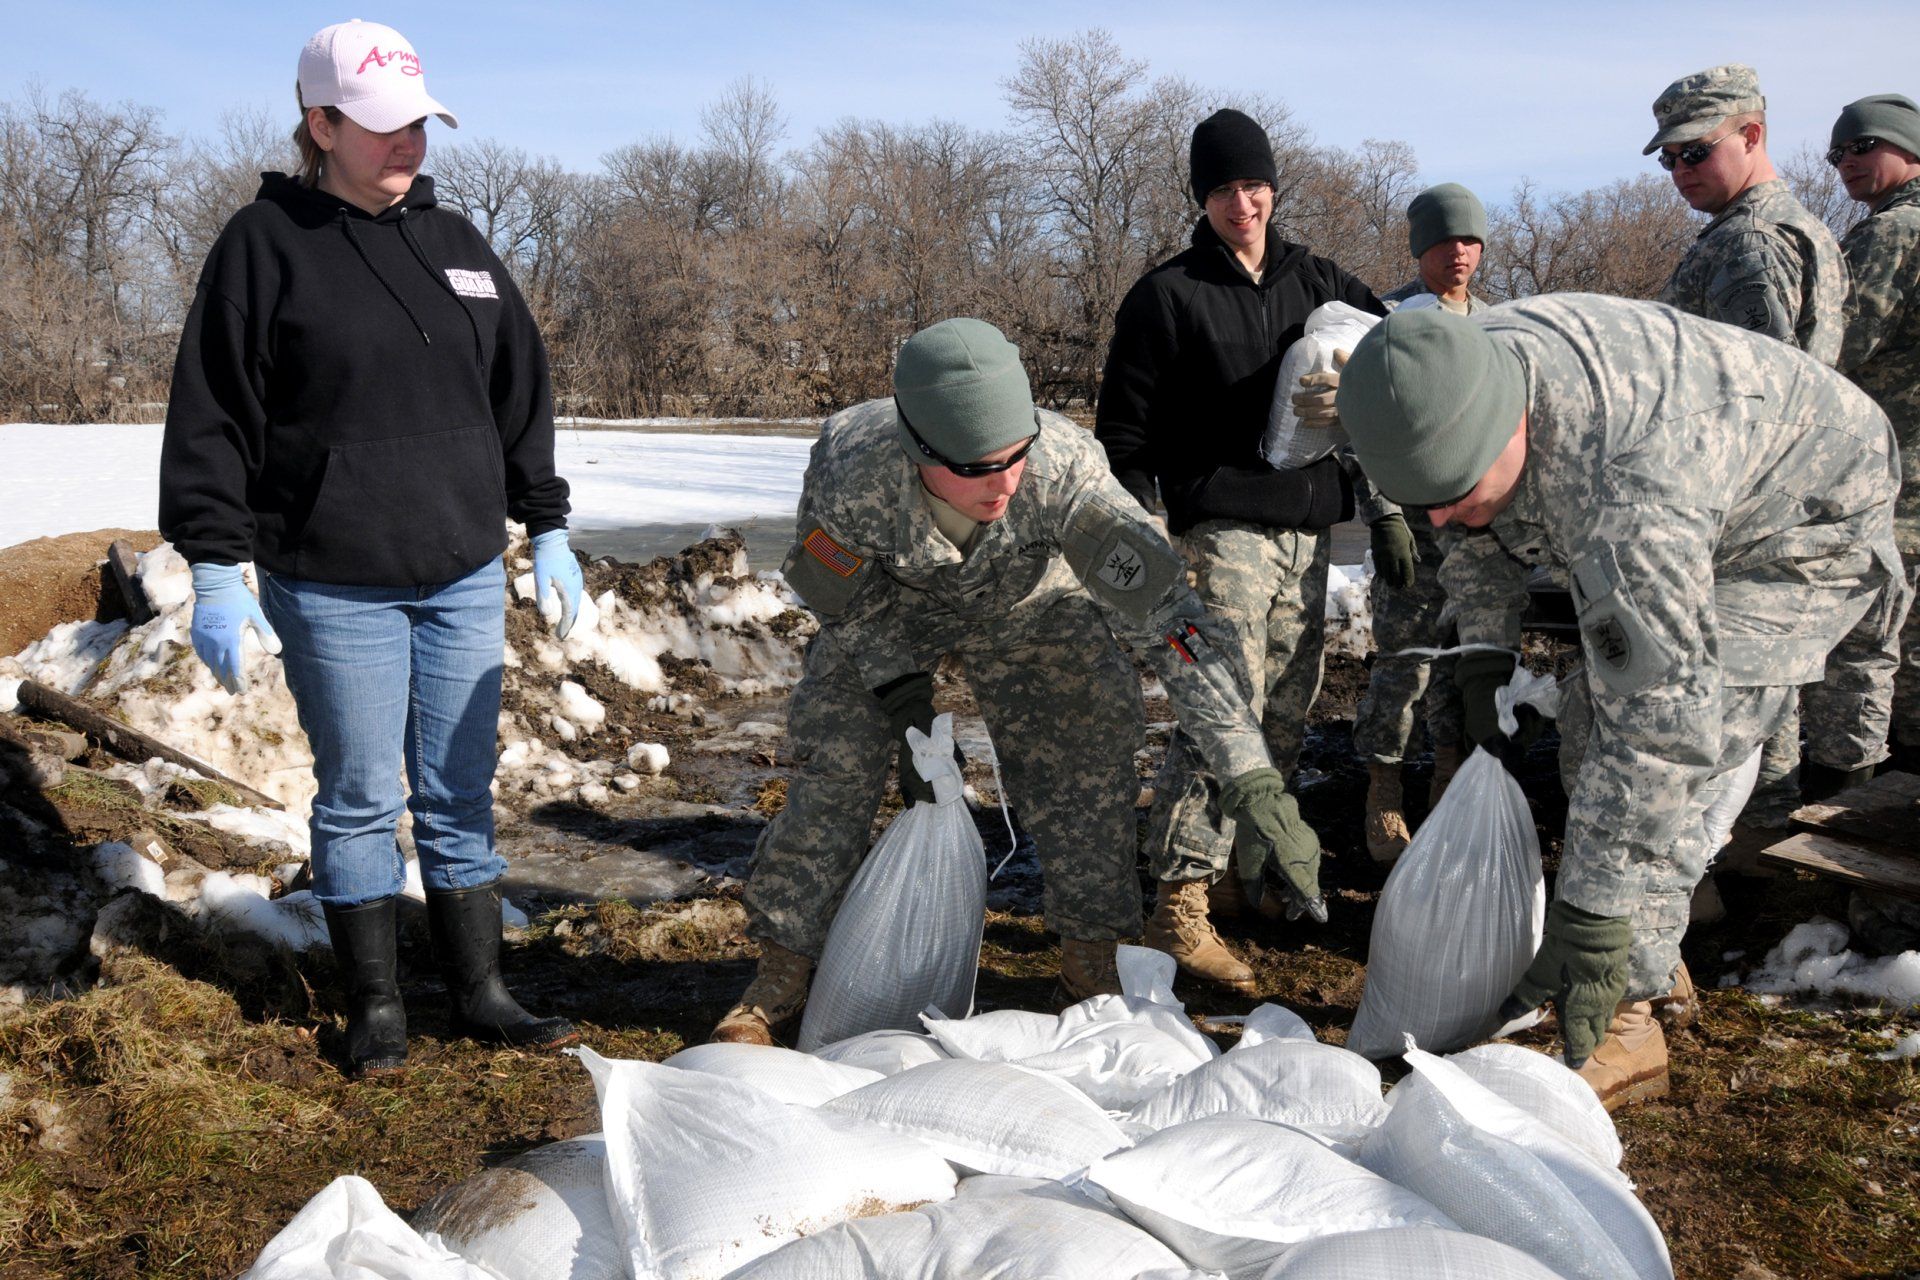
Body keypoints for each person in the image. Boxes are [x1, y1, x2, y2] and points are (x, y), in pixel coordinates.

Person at [1336, 299, 1908, 1110]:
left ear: (1513, 424)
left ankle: (1627, 1019)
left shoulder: (1625, 485)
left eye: (1457, 489)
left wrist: (1595, 912)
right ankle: (1649, 946)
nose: (1435, 518)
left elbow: (1663, 728)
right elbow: (1469, 534)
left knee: (1652, 754)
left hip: (1804, 524)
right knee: (1585, 725)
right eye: (1419, 500)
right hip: (1712, 475)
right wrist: (1484, 657)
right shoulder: (1447, 378)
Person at [159, 19, 581, 1076]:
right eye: (386, 127)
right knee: (358, 793)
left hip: (462, 566)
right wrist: (215, 558)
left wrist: (549, 521)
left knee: (456, 785)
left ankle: (481, 989)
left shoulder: (458, 245)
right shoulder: (264, 247)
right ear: (322, 122)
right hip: (333, 573)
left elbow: (518, 391)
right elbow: (212, 409)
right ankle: (379, 1004)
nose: (410, 145)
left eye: (420, 125)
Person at [711, 318, 1320, 1045]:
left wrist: (1249, 771)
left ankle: (1091, 960)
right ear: (918, 450)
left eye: (1014, 456)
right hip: (895, 611)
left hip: (1032, 611)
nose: (1002, 483)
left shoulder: (1064, 469)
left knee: (1090, 748)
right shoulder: (853, 464)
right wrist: (905, 699)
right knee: (836, 766)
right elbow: (847, 600)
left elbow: (1171, 622)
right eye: (974, 467)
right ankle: (782, 969)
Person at [1095, 108, 1408, 989]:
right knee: (1220, 707)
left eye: (1256, 185)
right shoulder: (1167, 294)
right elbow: (1123, 428)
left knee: (1286, 708)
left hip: (1312, 529)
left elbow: (1399, 358)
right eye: (1225, 188)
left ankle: (1245, 873)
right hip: (1221, 522)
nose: (1244, 203)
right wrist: (1143, 518)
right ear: (1203, 196)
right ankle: (1179, 906)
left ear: (1275, 189)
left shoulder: (1320, 282)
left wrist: (1359, 426)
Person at [1645, 64, 1850, 830]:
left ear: (1752, 135)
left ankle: (1736, 849)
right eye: (1668, 159)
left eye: (1694, 153)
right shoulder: (1790, 229)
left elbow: (1752, 403)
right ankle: (1753, 841)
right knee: (1769, 682)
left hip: (1742, 507)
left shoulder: (1751, 246)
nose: (1679, 172)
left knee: (1740, 689)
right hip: (1776, 505)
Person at [1353, 183, 1489, 862]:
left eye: (1469, 240)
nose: (1457, 253)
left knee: (1466, 662)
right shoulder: (1389, 321)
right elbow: (1359, 426)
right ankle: (1383, 790)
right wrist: (1381, 513)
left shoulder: (1496, 326)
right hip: (1413, 527)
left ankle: (1447, 775)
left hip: (1477, 530)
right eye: (1443, 241)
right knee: (1404, 662)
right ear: (1419, 246)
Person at [1831, 93, 1920, 952]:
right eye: (1838, 155)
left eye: (1864, 147)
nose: (1850, 164)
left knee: (1864, 669)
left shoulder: (1892, 234)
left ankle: (1873, 891)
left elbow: (1834, 347)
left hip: (1894, 494)